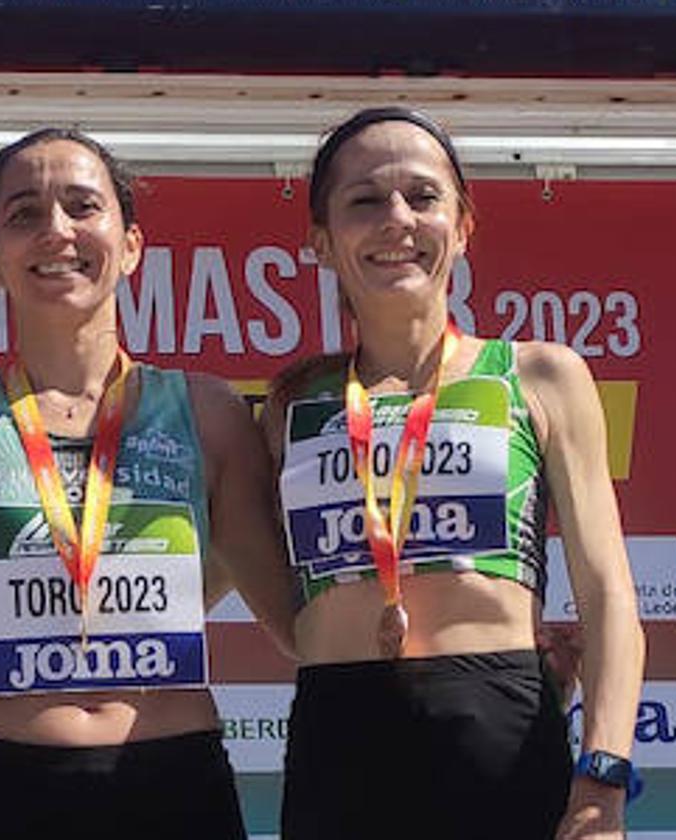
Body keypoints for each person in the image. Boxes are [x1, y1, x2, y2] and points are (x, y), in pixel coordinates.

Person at [0, 127, 296, 839]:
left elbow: (303, 628)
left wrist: (497, 645)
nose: (56, 230)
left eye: (83, 207)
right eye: (24, 214)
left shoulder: (209, 414)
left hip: (172, 782)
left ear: (131, 245)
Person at [263, 107, 645, 840]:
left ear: (464, 226)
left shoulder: (539, 375)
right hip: (337, 743)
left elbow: (607, 593)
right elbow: (259, 576)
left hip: (500, 730)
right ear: (320, 240)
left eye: (423, 196)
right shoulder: (293, 401)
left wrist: (603, 775)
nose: (397, 220)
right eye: (365, 200)